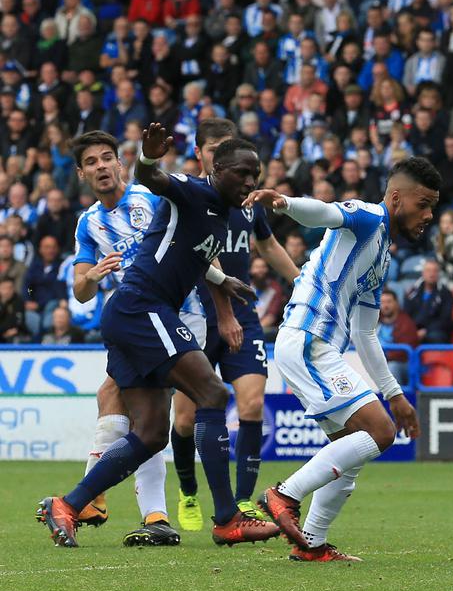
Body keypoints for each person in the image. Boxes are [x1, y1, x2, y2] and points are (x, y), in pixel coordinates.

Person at [38, 126, 275, 548]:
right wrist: (147, 158)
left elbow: (189, 254)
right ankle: (226, 517)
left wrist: (224, 281)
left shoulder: (220, 212)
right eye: (241, 173)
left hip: (134, 313)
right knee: (212, 394)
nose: (249, 183)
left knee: (150, 433)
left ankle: (68, 504)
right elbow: (155, 177)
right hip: (144, 307)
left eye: (255, 175)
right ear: (214, 169)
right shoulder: (190, 191)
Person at [245, 156, 439, 562]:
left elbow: (366, 332)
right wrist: (285, 203)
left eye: (433, 206)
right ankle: (283, 494)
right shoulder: (369, 216)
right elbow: (327, 213)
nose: (429, 215)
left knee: (353, 447)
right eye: (423, 204)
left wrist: (395, 393)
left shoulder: (381, 254)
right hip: (307, 337)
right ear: (397, 197)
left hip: (318, 346)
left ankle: (312, 543)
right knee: (380, 432)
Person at [171, 119, 303, 532]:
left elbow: (267, 244)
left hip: (242, 312)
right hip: (193, 312)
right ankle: (189, 491)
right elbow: (202, 258)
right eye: (216, 149)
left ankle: (244, 502)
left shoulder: (247, 202)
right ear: (200, 154)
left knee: (250, 403)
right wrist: (222, 310)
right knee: (185, 419)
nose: (227, 159)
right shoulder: (190, 196)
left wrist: (302, 283)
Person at [404, 259, 453, 344]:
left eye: (435, 271)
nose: (431, 274)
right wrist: (412, 330)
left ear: (439, 274)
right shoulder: (412, 292)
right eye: (428, 271)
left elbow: (445, 319)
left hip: (434, 331)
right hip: (414, 329)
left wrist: (426, 330)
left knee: (435, 336)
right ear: (422, 273)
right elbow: (406, 314)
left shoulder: (446, 294)